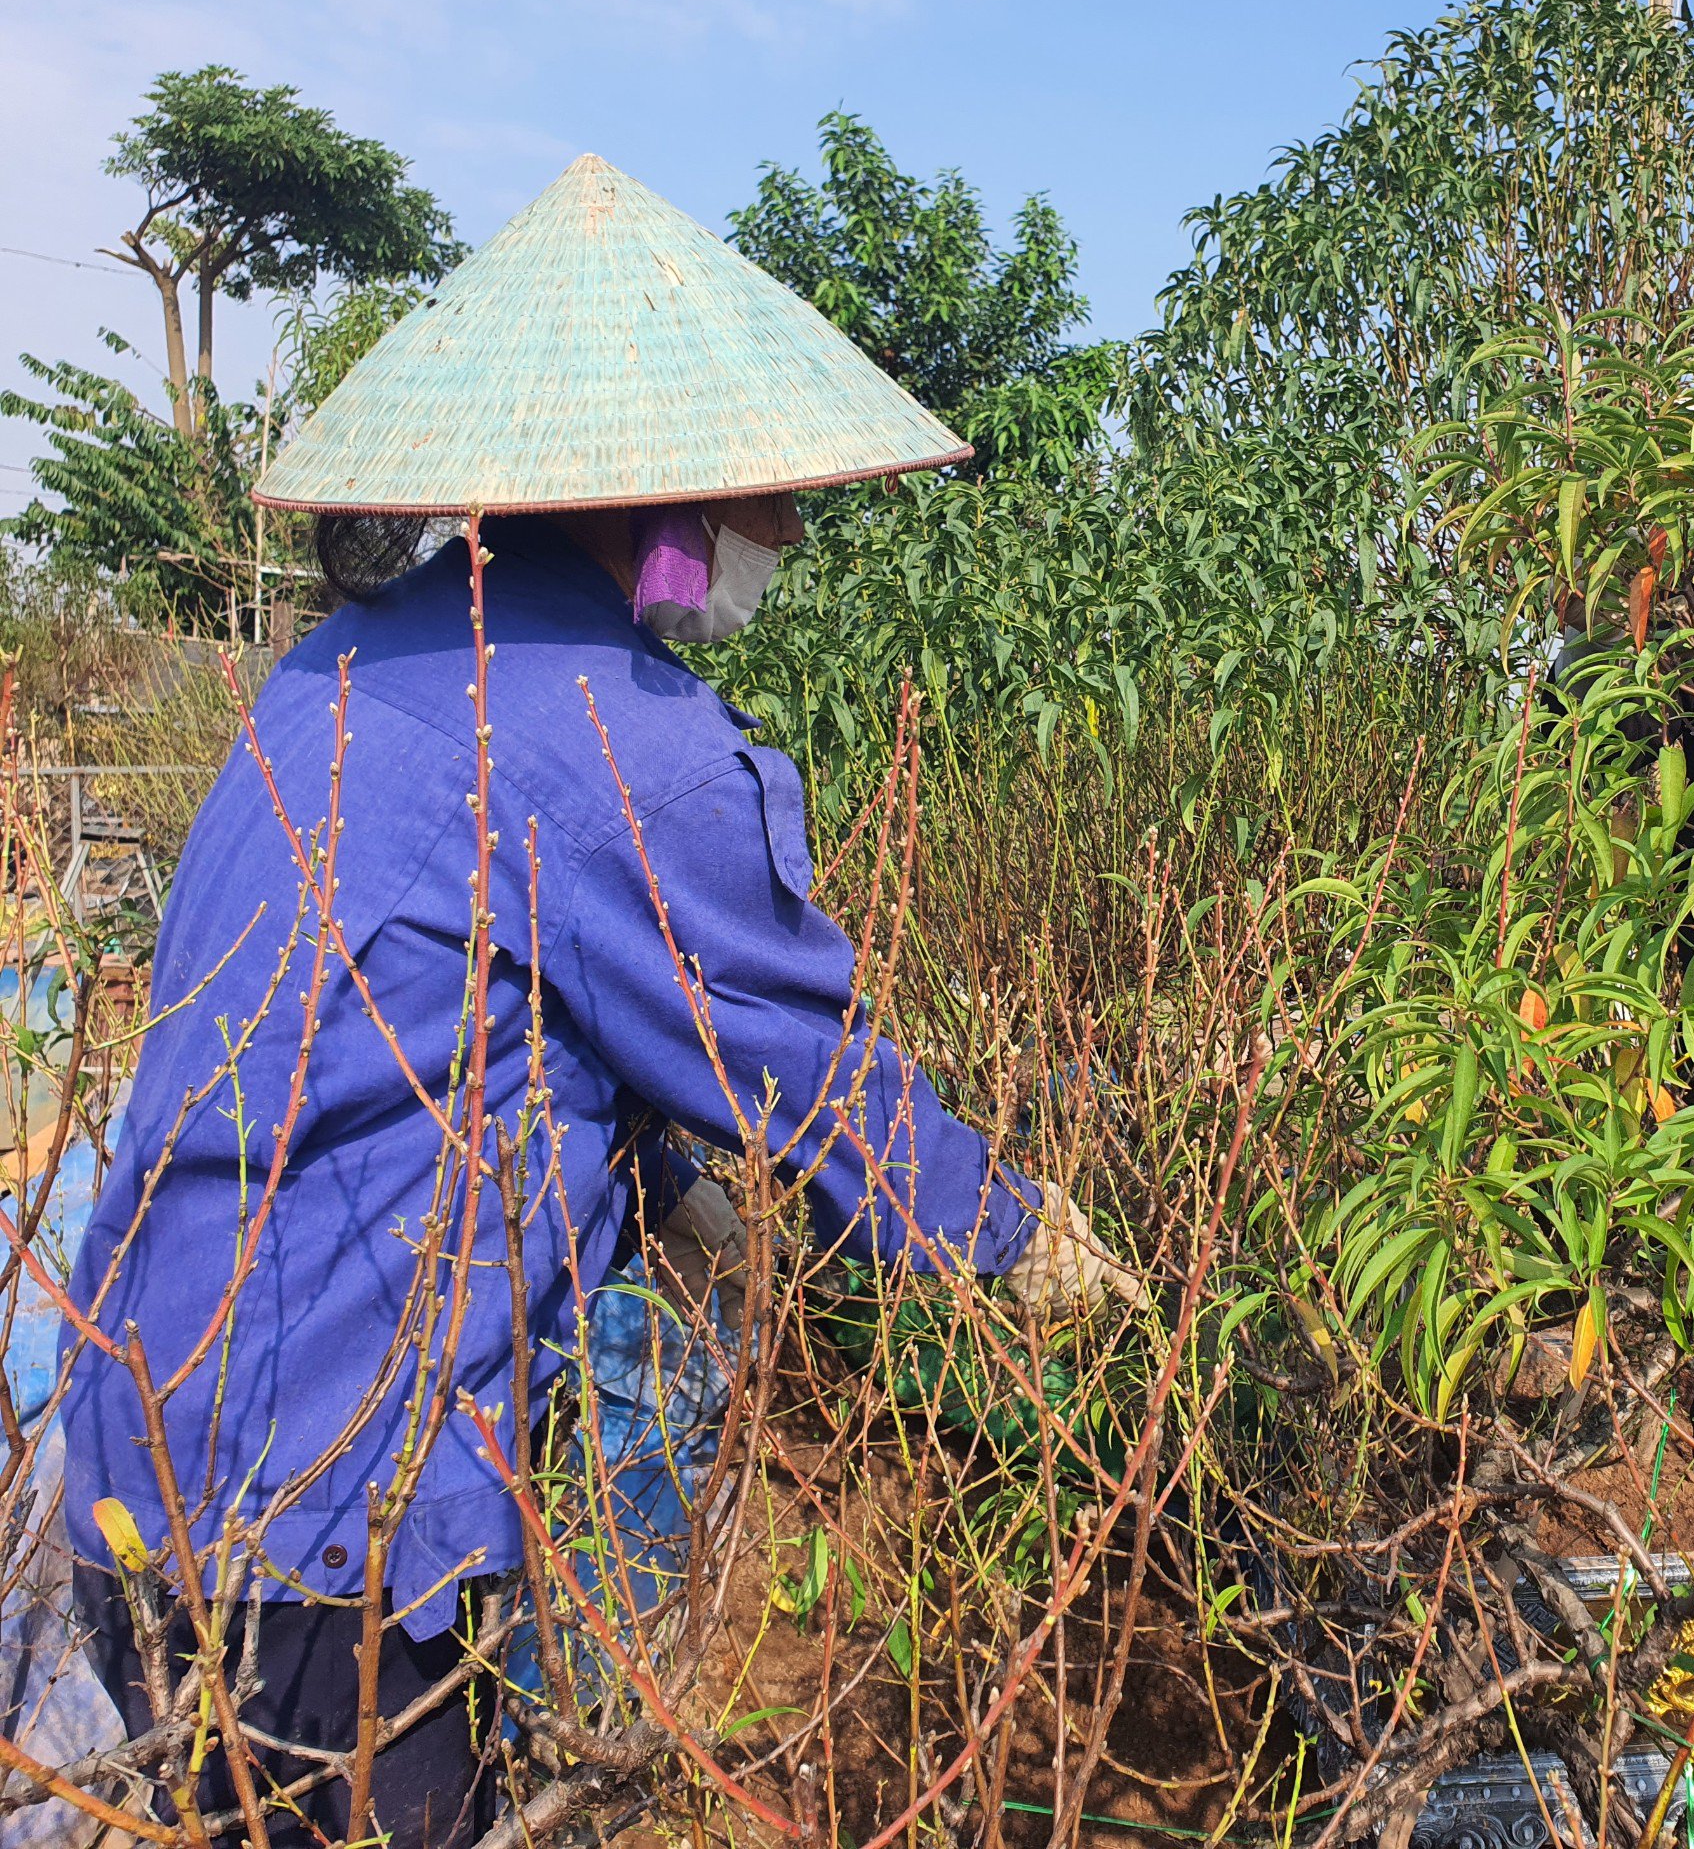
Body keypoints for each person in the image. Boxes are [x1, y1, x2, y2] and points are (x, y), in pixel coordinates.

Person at [55, 155, 1125, 1849]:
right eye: (767, 502)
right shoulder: (621, 742)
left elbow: (443, 1023)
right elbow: (793, 1054)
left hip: (153, 1429)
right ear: (668, 513)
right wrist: (1008, 1231)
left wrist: (657, 1188)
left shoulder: (349, 667)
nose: (784, 536)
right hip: (324, 1505)